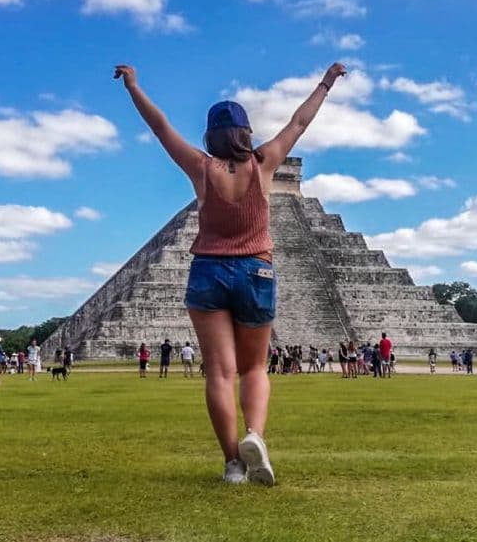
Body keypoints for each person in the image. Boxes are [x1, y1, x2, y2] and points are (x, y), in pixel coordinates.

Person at [114, 61, 346, 486]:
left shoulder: (201, 168)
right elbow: (299, 121)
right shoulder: (265, 162)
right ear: (246, 133)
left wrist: (133, 87)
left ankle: (232, 464)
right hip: (257, 270)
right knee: (255, 368)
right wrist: (326, 84)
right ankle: (255, 435)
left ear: (210, 136)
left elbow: (160, 126)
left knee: (219, 372)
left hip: (208, 271)